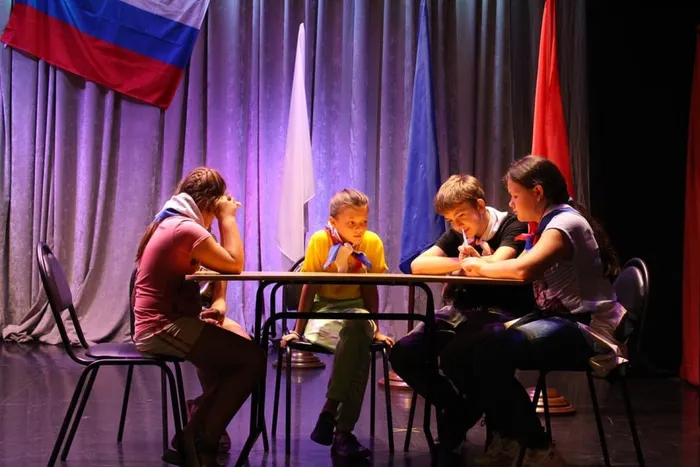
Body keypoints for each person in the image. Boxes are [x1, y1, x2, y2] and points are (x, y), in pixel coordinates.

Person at [451, 155, 626, 466]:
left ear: (538, 192)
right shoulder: (548, 223)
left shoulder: (564, 224)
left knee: (490, 350)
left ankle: (537, 446)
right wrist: (484, 259)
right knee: (463, 347)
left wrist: (478, 265)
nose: (511, 203)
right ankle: (508, 437)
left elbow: (523, 271)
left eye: (515, 195)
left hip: (586, 329)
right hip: (559, 321)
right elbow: (517, 265)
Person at [389, 174, 532, 451]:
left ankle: (491, 423)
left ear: (480, 206)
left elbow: (500, 261)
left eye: (461, 216)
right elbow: (419, 265)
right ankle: (459, 408)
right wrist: (460, 261)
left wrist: (480, 262)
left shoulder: (511, 224)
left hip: (503, 311)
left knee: (458, 355)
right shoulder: (458, 231)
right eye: (450, 220)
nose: (456, 225)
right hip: (462, 310)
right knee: (403, 353)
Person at [133, 167, 265, 467]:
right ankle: (203, 442)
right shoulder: (184, 228)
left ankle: (193, 435)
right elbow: (234, 264)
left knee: (241, 348)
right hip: (160, 327)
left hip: (172, 320)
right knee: (252, 360)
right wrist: (227, 218)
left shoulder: (174, 221)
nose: (214, 219)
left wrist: (215, 303)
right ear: (210, 204)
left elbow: (215, 267)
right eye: (215, 211)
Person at [279, 189, 392, 459]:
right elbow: (309, 287)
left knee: (359, 327)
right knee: (359, 351)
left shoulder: (372, 243)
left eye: (363, 222)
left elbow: (370, 290)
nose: (359, 229)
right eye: (351, 223)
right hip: (325, 310)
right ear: (334, 221)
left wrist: (376, 329)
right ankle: (342, 433)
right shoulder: (320, 241)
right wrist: (297, 330)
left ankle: (329, 409)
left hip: (356, 310)